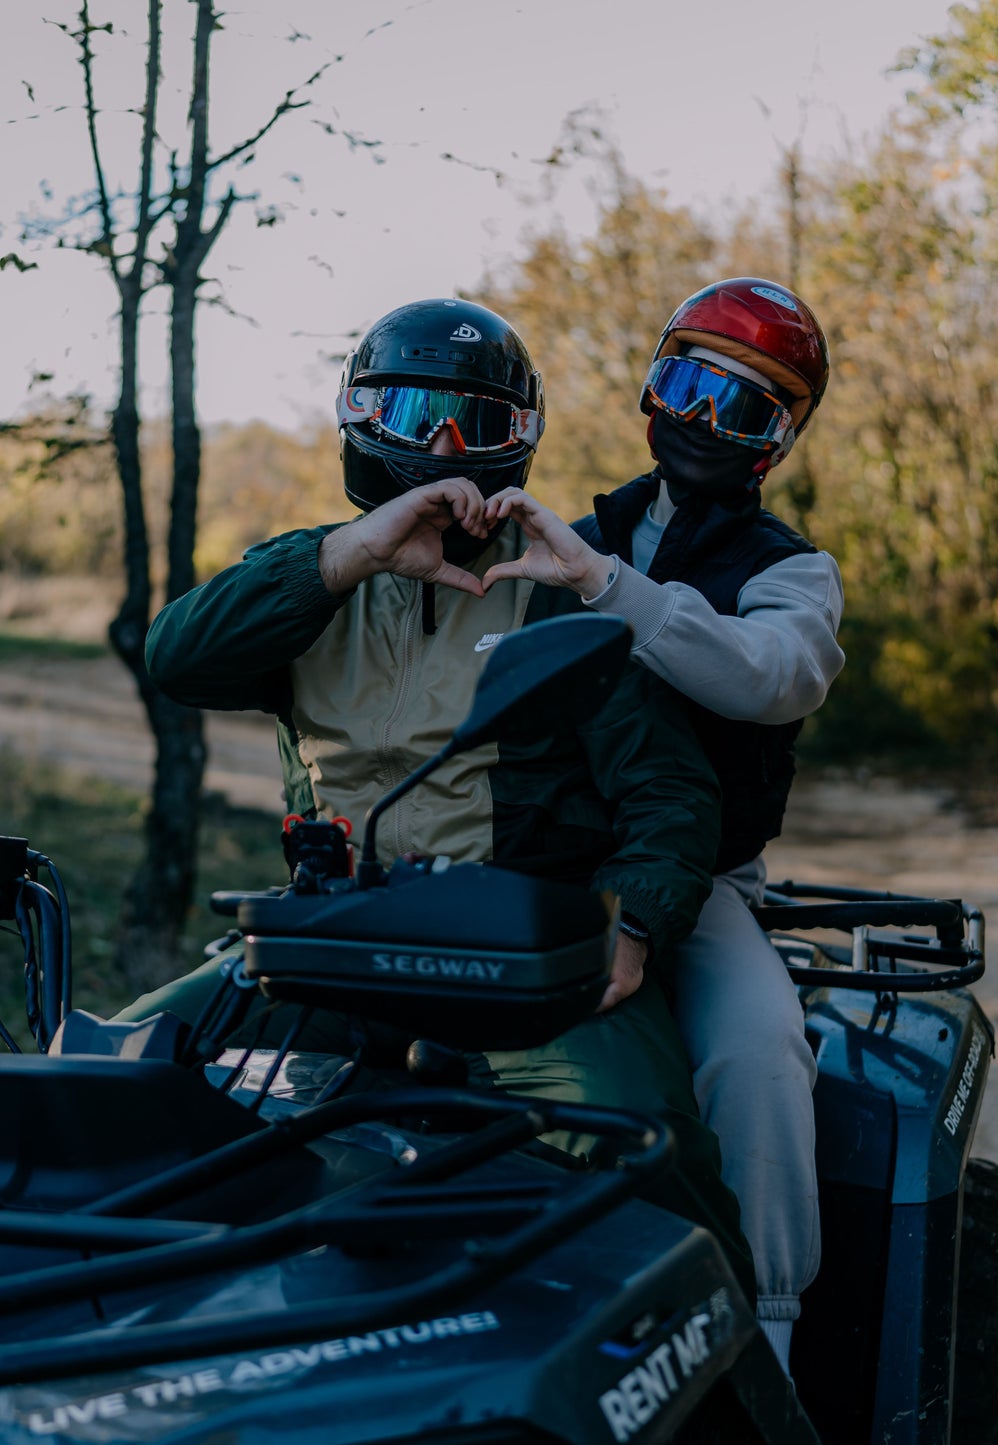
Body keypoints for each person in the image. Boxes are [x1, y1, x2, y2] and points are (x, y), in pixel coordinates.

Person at [127, 297, 756, 1293]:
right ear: (357, 417)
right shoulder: (308, 582)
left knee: (643, 1146)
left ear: (524, 441)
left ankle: (718, 1376)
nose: (448, 449)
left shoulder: (559, 590)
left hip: (521, 961)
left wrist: (630, 924)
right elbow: (177, 657)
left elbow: (670, 792)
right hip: (329, 948)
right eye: (416, 415)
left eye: (480, 423)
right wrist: (356, 552)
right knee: (118, 1074)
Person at [479, 278, 844, 1372]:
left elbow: (761, 677)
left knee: (756, 1050)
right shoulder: (568, 530)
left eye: (747, 407)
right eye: (687, 384)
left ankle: (768, 1336)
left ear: (778, 440)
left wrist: (603, 586)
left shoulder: (791, 571)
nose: (703, 421)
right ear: (650, 387)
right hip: (540, 866)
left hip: (707, 883)